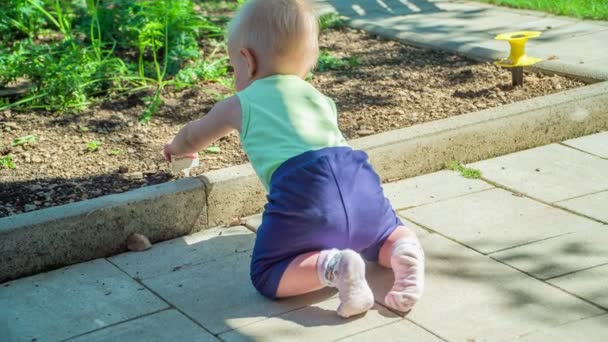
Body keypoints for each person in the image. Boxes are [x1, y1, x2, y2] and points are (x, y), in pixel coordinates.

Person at [163, 0, 425, 318]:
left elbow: (194, 136)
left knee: (268, 273)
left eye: (233, 67)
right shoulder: (320, 99)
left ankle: (335, 267)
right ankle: (403, 249)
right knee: (382, 234)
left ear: (246, 60)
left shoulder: (239, 104)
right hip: (357, 177)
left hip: (304, 192)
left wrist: (178, 148)